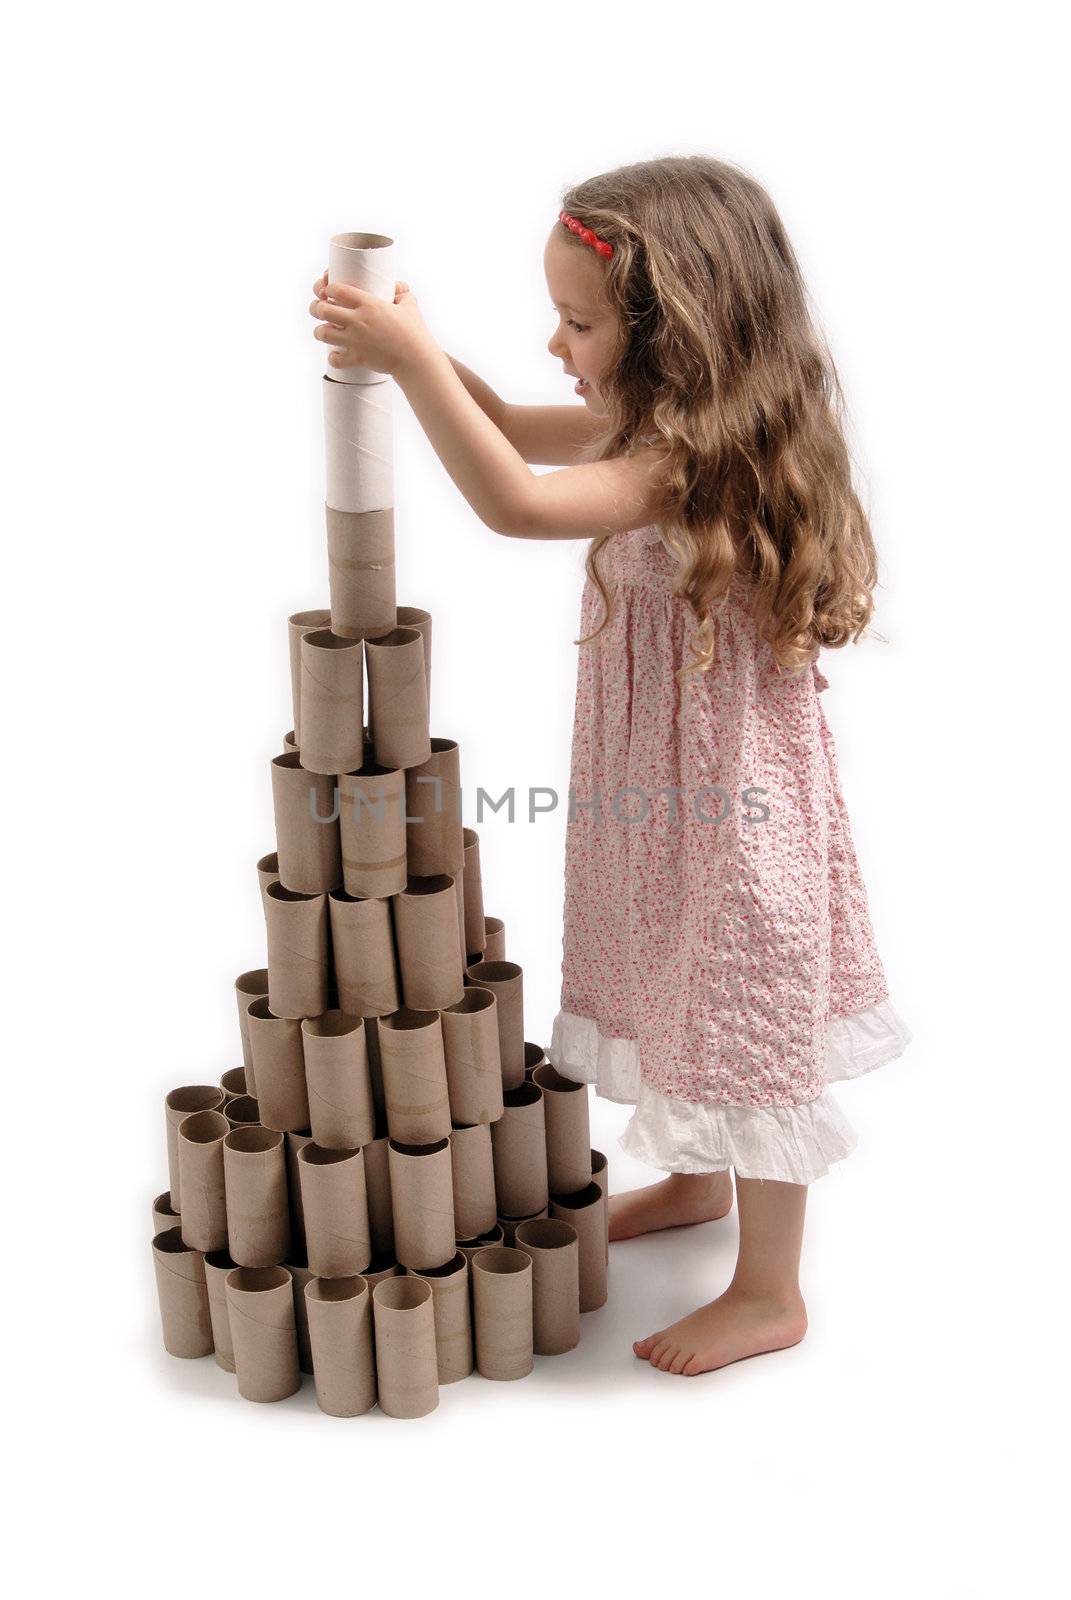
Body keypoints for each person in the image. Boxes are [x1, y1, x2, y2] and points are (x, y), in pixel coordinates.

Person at [308, 154, 912, 1377]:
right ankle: (693, 1184)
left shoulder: (699, 462)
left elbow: (520, 502)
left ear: (674, 336)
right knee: (666, 962)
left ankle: (769, 1289)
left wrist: (415, 365)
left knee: (739, 1007)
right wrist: (415, 351)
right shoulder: (662, 420)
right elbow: (515, 430)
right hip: (662, 790)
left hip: (735, 806)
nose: (557, 342)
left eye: (579, 323)